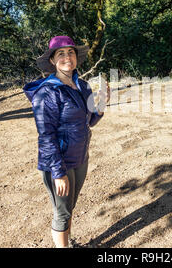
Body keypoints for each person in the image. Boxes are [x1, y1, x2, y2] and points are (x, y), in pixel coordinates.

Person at [23, 35, 110, 248]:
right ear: (52, 61)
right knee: (62, 212)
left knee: (70, 207)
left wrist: (103, 102)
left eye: (70, 52)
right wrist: (58, 173)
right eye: (60, 53)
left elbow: (89, 120)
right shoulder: (47, 92)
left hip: (80, 158)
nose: (67, 56)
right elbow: (46, 136)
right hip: (58, 163)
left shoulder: (82, 85)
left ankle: (68, 243)